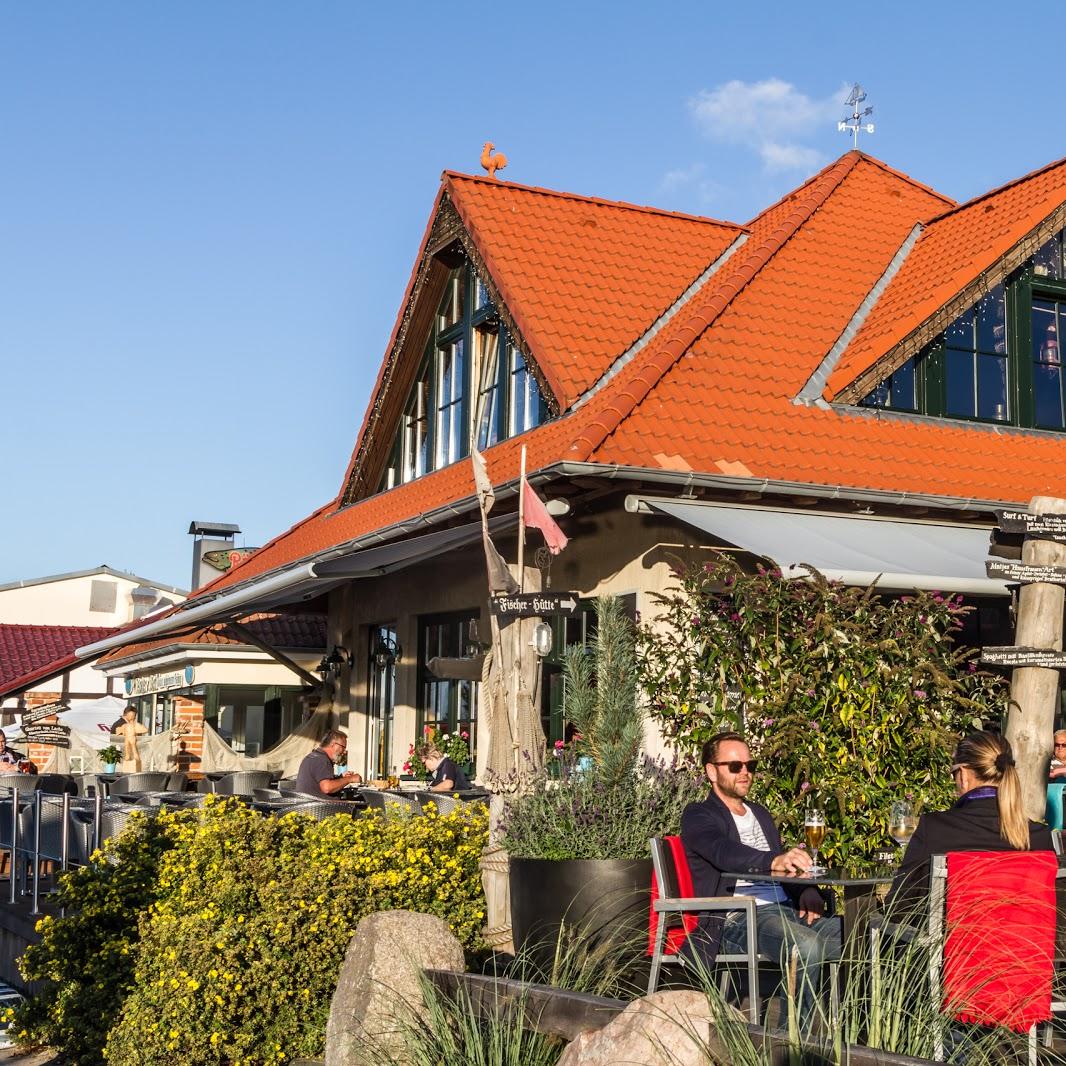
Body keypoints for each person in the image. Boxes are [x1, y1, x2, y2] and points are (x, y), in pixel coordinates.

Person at [680, 731, 840, 1021]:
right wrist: (774, 860)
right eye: (735, 766)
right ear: (711, 771)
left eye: (749, 766)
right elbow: (723, 852)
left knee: (866, 936)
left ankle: (867, 1041)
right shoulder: (698, 816)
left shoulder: (760, 814)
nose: (745, 772)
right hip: (740, 919)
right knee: (805, 947)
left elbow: (780, 870)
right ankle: (790, 1049)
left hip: (788, 912)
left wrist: (803, 890)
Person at [888, 730, 1054, 914]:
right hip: (1025, 943)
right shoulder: (1039, 838)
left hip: (952, 942)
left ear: (963, 775)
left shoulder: (935, 829)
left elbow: (898, 907)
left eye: (954, 775)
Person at [295, 730, 362, 798]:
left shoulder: (314, 756)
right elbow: (327, 788)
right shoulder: (322, 760)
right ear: (333, 744)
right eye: (343, 747)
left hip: (308, 804)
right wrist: (350, 779)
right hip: (320, 807)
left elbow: (320, 782)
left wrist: (341, 778)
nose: (344, 751)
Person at [112, 706, 147, 773]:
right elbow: (118, 735)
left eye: (134, 715)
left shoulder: (129, 724)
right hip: (120, 753)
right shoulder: (121, 724)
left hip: (128, 747)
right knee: (130, 755)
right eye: (133, 715)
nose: (134, 717)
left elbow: (144, 730)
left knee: (134, 756)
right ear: (127, 714)